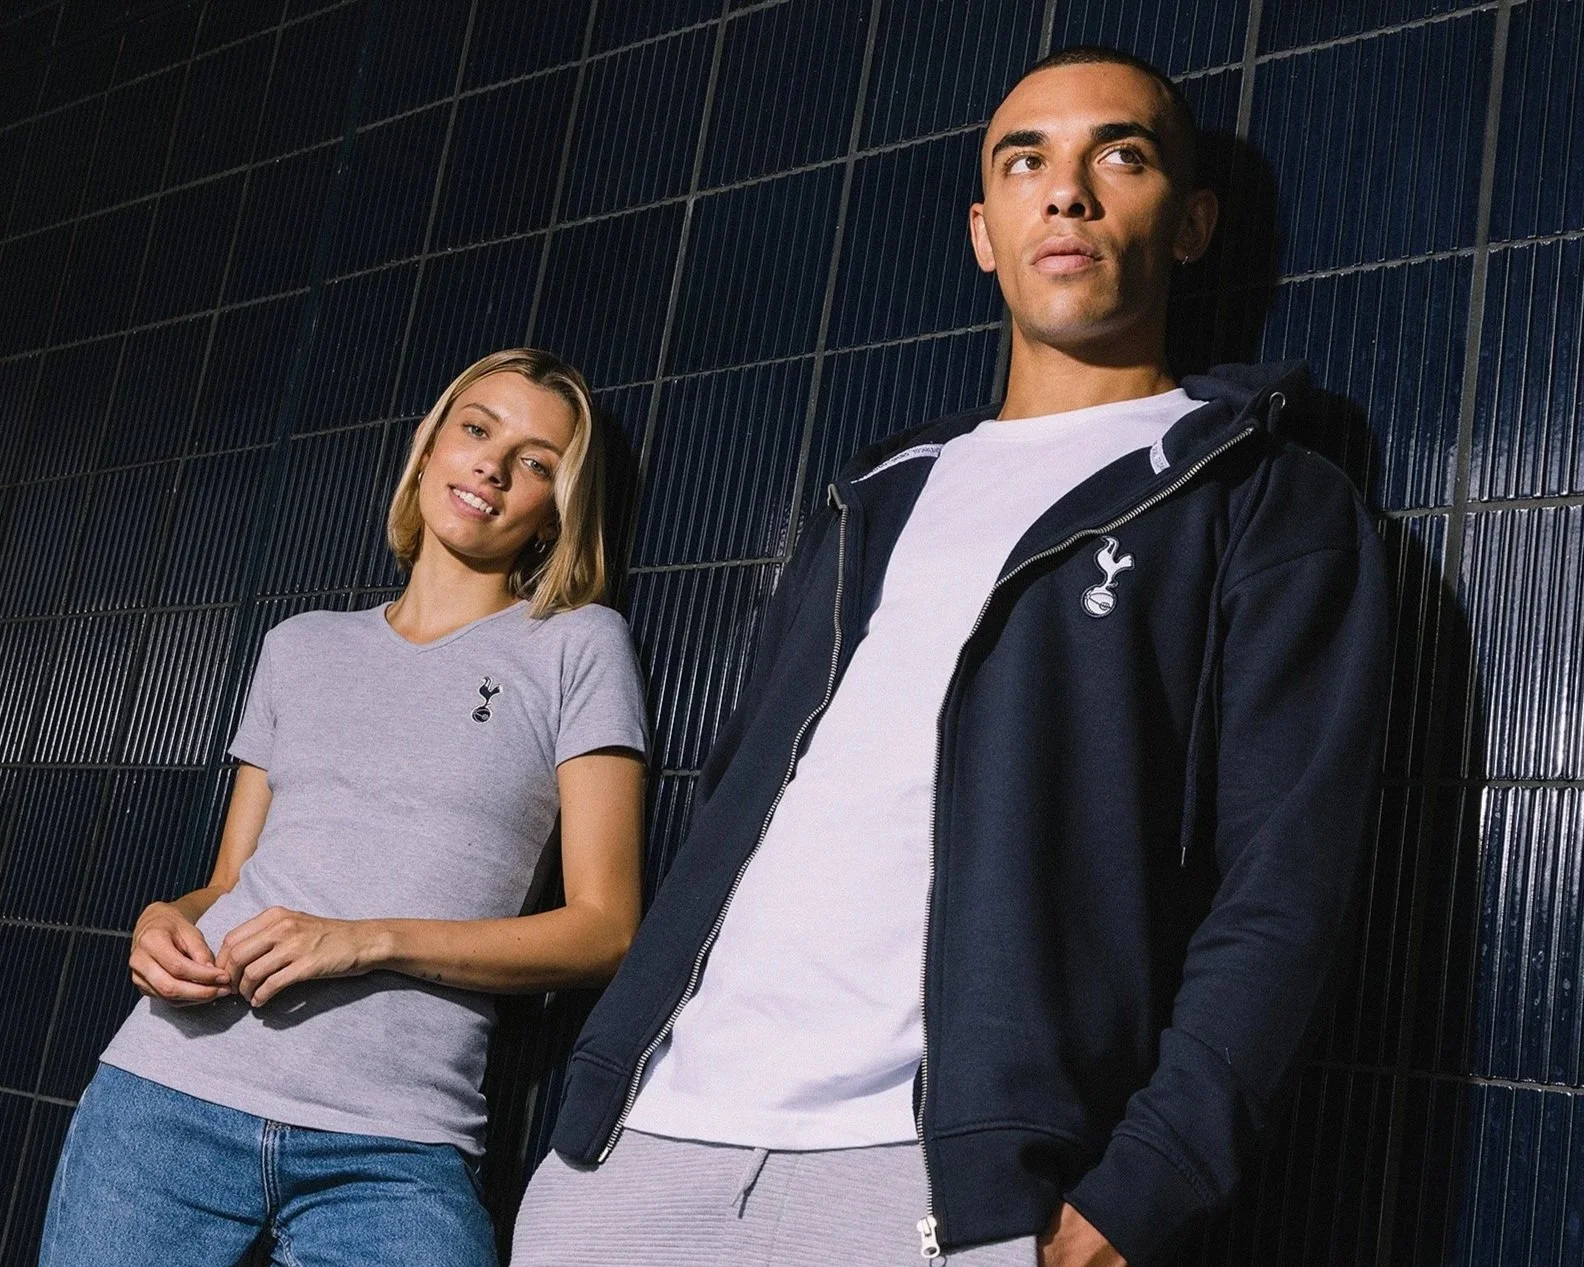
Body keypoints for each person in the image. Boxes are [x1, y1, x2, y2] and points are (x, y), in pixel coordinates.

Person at [513, 45, 1390, 1267]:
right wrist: (591, 1115)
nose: (1066, 191)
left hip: (937, 1187)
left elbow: (1287, 881)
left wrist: (1146, 1189)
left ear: (1191, 224)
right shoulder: (872, 495)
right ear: (985, 232)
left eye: (1119, 156)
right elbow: (738, 800)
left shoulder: (1258, 496)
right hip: (637, 1152)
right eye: (1024, 162)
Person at [40, 348, 650, 1267]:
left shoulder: (578, 646)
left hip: (396, 1142)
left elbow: (607, 930)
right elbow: (229, 880)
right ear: (430, 447)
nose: (491, 465)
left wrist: (368, 939)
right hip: (168, 1093)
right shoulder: (298, 646)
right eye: (476, 429)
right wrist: (165, 918)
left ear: (555, 509)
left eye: (534, 461)